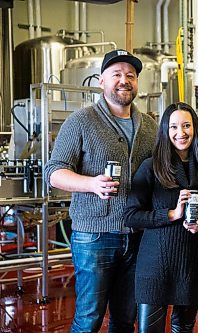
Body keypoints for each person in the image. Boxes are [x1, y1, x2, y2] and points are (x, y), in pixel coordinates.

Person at [44, 49, 158, 333]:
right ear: (101, 81)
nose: (124, 80)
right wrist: (91, 184)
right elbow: (54, 172)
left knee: (125, 320)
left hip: (137, 237)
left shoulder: (150, 127)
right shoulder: (81, 121)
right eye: (116, 74)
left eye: (130, 75)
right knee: (89, 319)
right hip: (95, 236)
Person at [123, 102, 198, 333]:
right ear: (165, 131)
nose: (181, 133)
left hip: (193, 264)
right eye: (174, 126)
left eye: (187, 125)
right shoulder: (151, 167)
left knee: (184, 328)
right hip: (156, 265)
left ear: (195, 129)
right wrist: (171, 214)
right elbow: (131, 216)